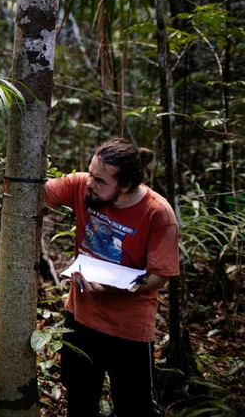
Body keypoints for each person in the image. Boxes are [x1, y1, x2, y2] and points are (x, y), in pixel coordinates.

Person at [45, 138, 179, 417]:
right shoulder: (83, 186)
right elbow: (35, 193)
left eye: (101, 180)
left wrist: (113, 288)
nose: (90, 183)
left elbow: (159, 276)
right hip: (80, 318)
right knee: (80, 400)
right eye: (90, 173)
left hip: (128, 329)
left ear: (126, 186)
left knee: (135, 407)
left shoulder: (157, 212)